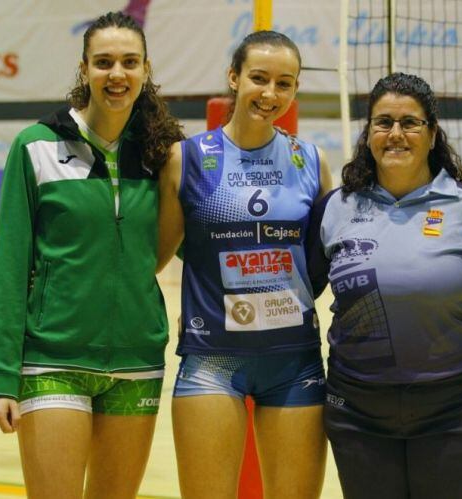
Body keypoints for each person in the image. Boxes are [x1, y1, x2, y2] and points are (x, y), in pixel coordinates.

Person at [0, 11, 183, 499]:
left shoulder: (162, 155)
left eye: (129, 62)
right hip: (53, 361)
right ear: (84, 67)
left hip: (136, 363)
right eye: (104, 62)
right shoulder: (36, 147)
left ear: (146, 69)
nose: (117, 74)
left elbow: (152, 256)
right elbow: (10, 268)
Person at [307, 72, 462, 499]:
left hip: (458, 407)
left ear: (432, 134)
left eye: (410, 122)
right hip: (358, 409)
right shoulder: (334, 208)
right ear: (368, 133)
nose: (396, 133)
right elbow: (300, 293)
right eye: (383, 122)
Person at [157, 30, 333, 499]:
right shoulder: (188, 159)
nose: (270, 94)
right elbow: (157, 256)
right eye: (259, 78)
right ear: (234, 78)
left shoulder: (311, 161)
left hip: (294, 362)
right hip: (212, 360)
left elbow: (317, 263)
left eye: (285, 83)